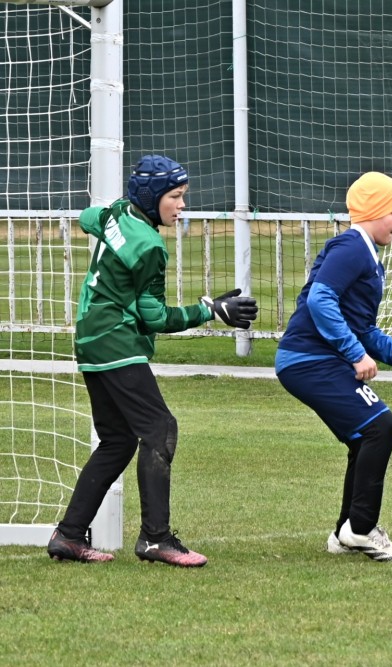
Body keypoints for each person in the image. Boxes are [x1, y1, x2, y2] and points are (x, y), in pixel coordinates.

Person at [47, 154, 258, 567]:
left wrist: (111, 227)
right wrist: (210, 310)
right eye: (175, 196)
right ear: (151, 197)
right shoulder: (149, 246)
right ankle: (155, 539)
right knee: (161, 430)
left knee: (118, 441)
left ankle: (69, 535)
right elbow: (155, 318)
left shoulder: (116, 213)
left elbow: (88, 217)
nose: (182, 205)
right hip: (116, 340)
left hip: (89, 338)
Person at [276, 171, 392, 563]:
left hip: (314, 360)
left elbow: (360, 325)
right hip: (308, 360)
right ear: (372, 211)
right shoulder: (352, 247)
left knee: (366, 434)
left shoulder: (366, 254)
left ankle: (346, 532)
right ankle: (361, 529)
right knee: (380, 427)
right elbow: (320, 301)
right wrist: (355, 354)